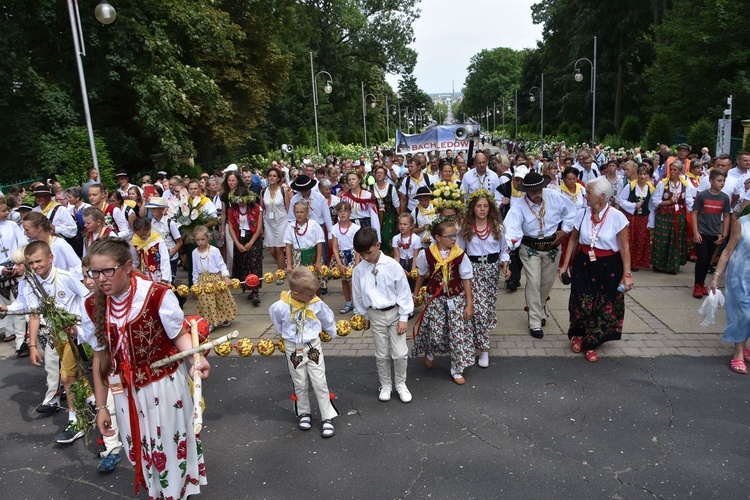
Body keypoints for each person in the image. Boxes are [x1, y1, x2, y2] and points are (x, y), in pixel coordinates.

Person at [79, 237, 208, 497]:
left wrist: (196, 359)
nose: (101, 278)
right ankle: (157, 491)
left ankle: (174, 494)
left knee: (169, 449)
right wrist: (102, 407)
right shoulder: (92, 306)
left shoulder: (156, 294)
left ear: (127, 267)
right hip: (126, 391)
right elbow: (100, 358)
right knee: (142, 448)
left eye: (108, 270)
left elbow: (178, 334)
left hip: (163, 386)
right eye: (95, 272)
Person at [0, 241, 94, 443]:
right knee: (76, 371)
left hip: (74, 333)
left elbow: (88, 298)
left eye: (38, 261)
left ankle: (75, 420)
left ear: (50, 258)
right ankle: (92, 401)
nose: (35, 266)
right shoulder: (29, 283)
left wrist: (82, 325)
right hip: (55, 334)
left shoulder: (66, 278)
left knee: (67, 377)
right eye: (31, 263)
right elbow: (29, 309)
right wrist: (7, 310)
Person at [558, 177, 633, 362]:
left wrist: (627, 274)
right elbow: (573, 240)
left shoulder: (618, 217)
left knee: (602, 305)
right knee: (581, 302)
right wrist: (565, 266)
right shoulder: (582, 214)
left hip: (609, 266)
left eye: (588, 192)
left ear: (601, 196)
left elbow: (624, 248)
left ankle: (591, 343)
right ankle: (578, 334)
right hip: (584, 263)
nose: (585, 195)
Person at [504, 172, 577, 338]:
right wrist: (507, 251)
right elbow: (511, 231)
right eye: (532, 191)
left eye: (539, 189)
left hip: (552, 246)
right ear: (526, 191)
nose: (536, 193)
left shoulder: (555, 197)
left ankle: (541, 305)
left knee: (546, 283)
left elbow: (572, 212)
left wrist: (565, 230)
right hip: (530, 248)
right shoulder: (519, 206)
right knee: (534, 281)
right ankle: (535, 321)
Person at [268, 267, 338, 438]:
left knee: (319, 380)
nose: (314, 297)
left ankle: (327, 417)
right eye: (310, 295)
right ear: (296, 294)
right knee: (299, 381)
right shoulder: (281, 306)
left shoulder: (315, 303)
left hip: (312, 345)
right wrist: (285, 336)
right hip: (293, 348)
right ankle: (304, 413)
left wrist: (331, 331)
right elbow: (276, 321)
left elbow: (327, 317)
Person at [352, 228, 414, 402]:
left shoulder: (393, 265)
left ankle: (400, 384)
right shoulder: (359, 270)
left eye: (369, 252)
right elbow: (358, 294)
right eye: (361, 254)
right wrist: (364, 315)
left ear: (377, 245)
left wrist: (403, 317)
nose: (365, 257)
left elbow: (403, 292)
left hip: (394, 313)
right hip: (375, 314)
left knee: (400, 353)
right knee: (381, 353)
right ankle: (386, 384)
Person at [411, 217, 474, 385]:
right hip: (435, 299)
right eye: (450, 236)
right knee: (435, 331)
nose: (454, 239)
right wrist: (415, 294)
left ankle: (456, 368)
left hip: (455, 298)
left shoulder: (460, 254)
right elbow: (422, 274)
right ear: (438, 238)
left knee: (456, 333)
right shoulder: (427, 254)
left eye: (455, 235)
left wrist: (469, 303)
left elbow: (466, 278)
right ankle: (430, 351)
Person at [80, 255, 123, 473]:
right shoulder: (88, 303)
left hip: (135, 369)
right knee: (111, 406)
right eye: (88, 274)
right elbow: (96, 348)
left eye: (95, 274)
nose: (90, 280)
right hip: (112, 370)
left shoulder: (122, 298)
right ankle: (112, 447)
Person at [458, 190, 510, 368]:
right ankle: (484, 349)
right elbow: (459, 251)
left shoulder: (498, 227)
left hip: (491, 271)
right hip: (472, 271)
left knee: (486, 310)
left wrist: (505, 264)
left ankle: (478, 341)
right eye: (478, 206)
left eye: (485, 206)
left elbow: (504, 249)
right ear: (472, 208)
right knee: (477, 309)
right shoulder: (465, 228)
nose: (482, 209)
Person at [710, 214, 750, 373]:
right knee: (744, 314)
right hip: (739, 277)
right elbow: (727, 251)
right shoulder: (742, 223)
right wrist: (715, 277)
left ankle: (744, 344)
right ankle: (738, 352)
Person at [691, 169, 731, 298]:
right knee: (702, 258)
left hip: (715, 233)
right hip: (702, 232)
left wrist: (723, 233)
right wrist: (695, 232)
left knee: (708, 260)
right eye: (719, 181)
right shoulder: (703, 196)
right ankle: (697, 284)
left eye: (723, 181)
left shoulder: (724, 198)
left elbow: (726, 216)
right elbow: (694, 213)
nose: (722, 183)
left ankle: (702, 283)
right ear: (711, 181)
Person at [650, 159, 691, 274]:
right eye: (671, 169)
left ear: (680, 172)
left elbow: (688, 201)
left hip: (678, 216)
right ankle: (658, 264)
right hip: (664, 216)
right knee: (662, 239)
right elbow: (655, 201)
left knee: (675, 239)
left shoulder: (684, 184)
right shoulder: (663, 183)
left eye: (675, 170)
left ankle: (673, 265)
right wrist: (668, 202)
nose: (672, 172)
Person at [191, 225, 236, 329]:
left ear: (208, 238)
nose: (200, 242)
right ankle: (209, 322)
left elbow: (221, 264)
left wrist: (225, 276)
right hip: (203, 281)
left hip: (215, 279)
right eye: (198, 240)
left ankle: (225, 317)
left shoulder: (214, 250)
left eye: (203, 239)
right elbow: (195, 269)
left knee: (221, 300)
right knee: (206, 303)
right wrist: (195, 283)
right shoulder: (194, 253)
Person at [0, 200, 29, 351]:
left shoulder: (11, 226)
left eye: (6, 210)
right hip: (0, 274)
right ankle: (9, 332)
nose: (6, 213)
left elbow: (23, 245)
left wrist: (20, 263)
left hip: (15, 270)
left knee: (17, 306)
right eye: (3, 210)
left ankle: (21, 343)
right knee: (4, 309)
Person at [227, 186, 264, 305]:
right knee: (242, 264)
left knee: (254, 264)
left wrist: (251, 242)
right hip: (239, 238)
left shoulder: (256, 208)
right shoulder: (232, 210)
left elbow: (258, 227)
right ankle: (247, 285)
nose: (241, 203)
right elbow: (231, 228)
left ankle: (255, 291)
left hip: (253, 238)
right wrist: (237, 243)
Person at [22, 211, 82, 279]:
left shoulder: (59, 244)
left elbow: (77, 266)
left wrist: (65, 279)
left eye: (27, 230)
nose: (24, 233)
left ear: (39, 228)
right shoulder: (33, 246)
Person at [618, 166, 655, 271]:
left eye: (645, 174)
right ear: (637, 175)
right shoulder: (630, 186)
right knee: (629, 240)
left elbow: (652, 206)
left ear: (648, 176)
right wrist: (633, 205)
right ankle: (626, 262)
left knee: (640, 241)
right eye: (640, 174)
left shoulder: (651, 188)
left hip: (643, 218)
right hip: (631, 217)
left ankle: (636, 263)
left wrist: (650, 222)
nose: (642, 176)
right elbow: (621, 200)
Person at [284, 201, 325, 293]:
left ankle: (317, 300)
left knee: (315, 282)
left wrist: (318, 261)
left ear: (307, 212)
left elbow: (319, 243)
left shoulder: (314, 225)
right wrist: (289, 264)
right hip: (297, 257)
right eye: (297, 212)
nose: (299, 215)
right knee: (299, 283)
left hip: (312, 257)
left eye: (302, 212)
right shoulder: (290, 226)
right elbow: (288, 245)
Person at [330, 201, 360, 314]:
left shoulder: (355, 228)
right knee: (344, 280)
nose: (343, 214)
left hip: (353, 256)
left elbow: (357, 247)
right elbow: (334, 247)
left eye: (345, 211)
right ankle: (348, 302)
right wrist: (339, 263)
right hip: (341, 257)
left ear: (350, 213)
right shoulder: (334, 229)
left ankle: (357, 304)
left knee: (352, 281)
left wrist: (357, 262)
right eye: (340, 211)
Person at [262, 167, 290, 282]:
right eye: (270, 176)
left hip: (282, 221)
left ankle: (280, 273)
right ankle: (283, 262)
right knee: (271, 249)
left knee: (279, 248)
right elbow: (261, 209)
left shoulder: (283, 190)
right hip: (269, 223)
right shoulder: (263, 191)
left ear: (278, 178)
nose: (272, 178)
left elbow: (288, 209)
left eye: (274, 176)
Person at [146, 197, 182, 283]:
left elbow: (179, 242)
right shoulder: (150, 224)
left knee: (170, 281)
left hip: (171, 256)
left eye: (154, 209)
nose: (152, 212)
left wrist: (170, 255)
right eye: (151, 209)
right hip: (157, 257)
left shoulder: (170, 223)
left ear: (162, 209)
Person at [131, 217, 171, 284]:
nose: (143, 237)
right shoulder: (135, 243)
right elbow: (135, 261)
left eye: (144, 234)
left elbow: (165, 260)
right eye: (139, 236)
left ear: (149, 229)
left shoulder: (158, 241)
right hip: (143, 277)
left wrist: (165, 278)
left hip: (158, 276)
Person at [341, 171, 381, 237]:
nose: (351, 181)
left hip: (366, 225)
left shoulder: (367, 195)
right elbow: (342, 215)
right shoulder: (345, 197)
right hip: (352, 226)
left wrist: (377, 236)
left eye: (353, 179)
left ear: (359, 180)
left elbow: (374, 216)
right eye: (349, 180)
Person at [370, 165, 399, 254]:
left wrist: (399, 217)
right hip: (375, 217)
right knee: (376, 238)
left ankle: (389, 258)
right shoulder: (370, 188)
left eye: (381, 173)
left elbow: (396, 204)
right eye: (377, 173)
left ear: (385, 175)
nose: (379, 174)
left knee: (386, 238)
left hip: (389, 216)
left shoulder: (391, 187)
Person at [392, 213, 421, 291]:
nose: (402, 226)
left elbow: (415, 255)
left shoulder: (416, 239)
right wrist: (397, 269)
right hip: (401, 262)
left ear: (411, 226)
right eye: (400, 224)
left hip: (412, 262)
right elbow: (396, 256)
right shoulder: (395, 238)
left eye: (405, 224)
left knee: (412, 284)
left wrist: (413, 271)